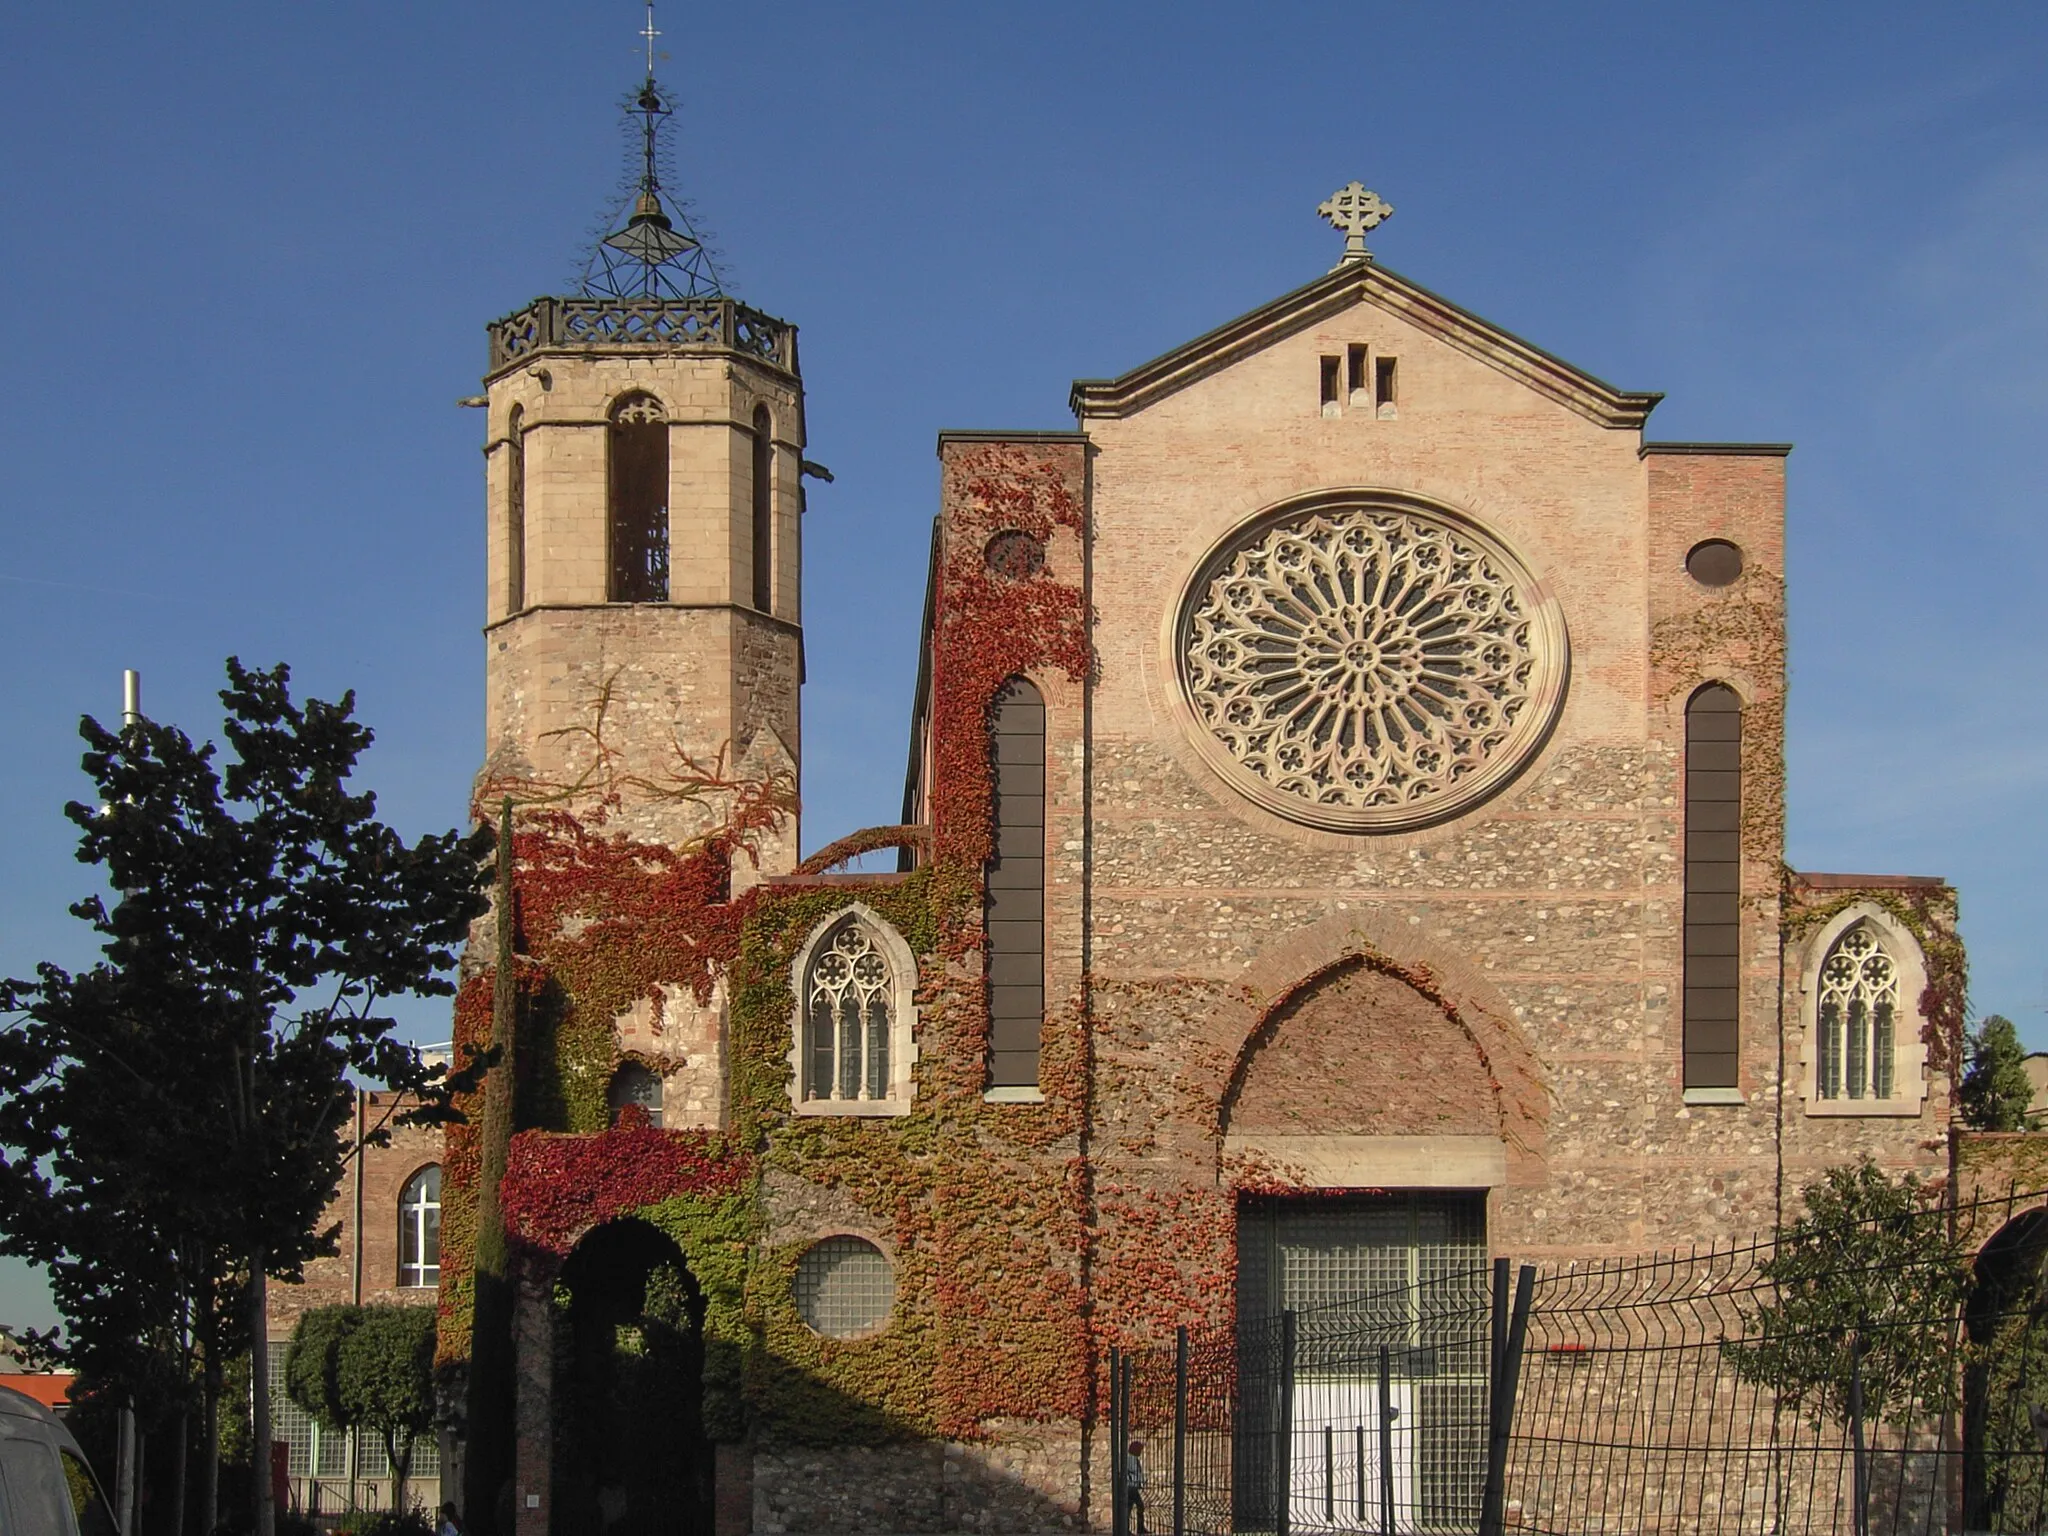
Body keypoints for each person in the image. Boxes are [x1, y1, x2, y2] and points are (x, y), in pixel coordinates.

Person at [1124, 1438, 1147, 1536]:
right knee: (1136, 1507)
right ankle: (1134, 1529)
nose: (1141, 1452)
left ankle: (1138, 1528)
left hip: (1133, 1486)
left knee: (1135, 1507)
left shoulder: (1132, 1458)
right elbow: (1132, 1472)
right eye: (1140, 1450)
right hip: (1131, 1487)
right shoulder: (1130, 1459)